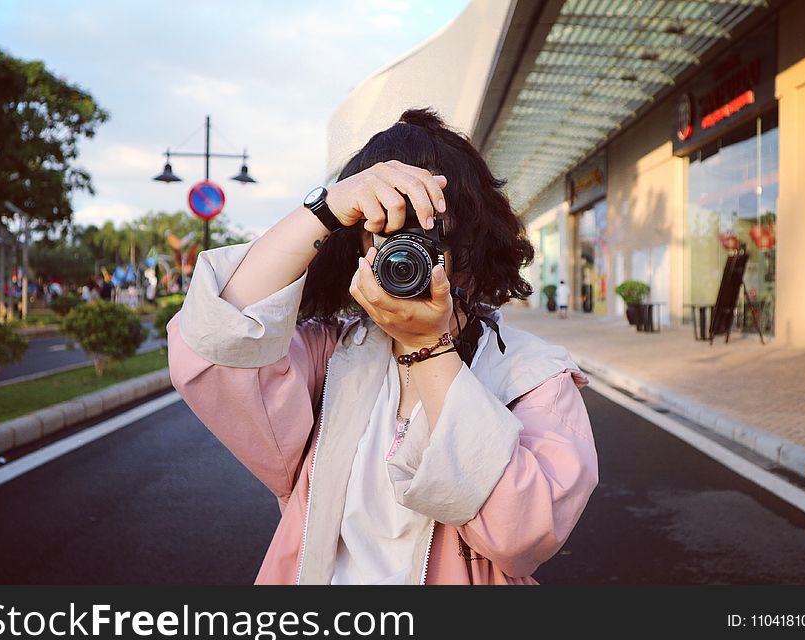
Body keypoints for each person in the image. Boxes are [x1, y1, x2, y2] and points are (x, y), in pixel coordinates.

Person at [167, 108, 598, 585]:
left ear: (472, 247)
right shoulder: (329, 356)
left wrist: (430, 348)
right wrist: (327, 207)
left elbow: (524, 534)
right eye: (385, 232)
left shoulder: (533, 375)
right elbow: (215, 337)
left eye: (432, 232)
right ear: (353, 247)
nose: (404, 252)